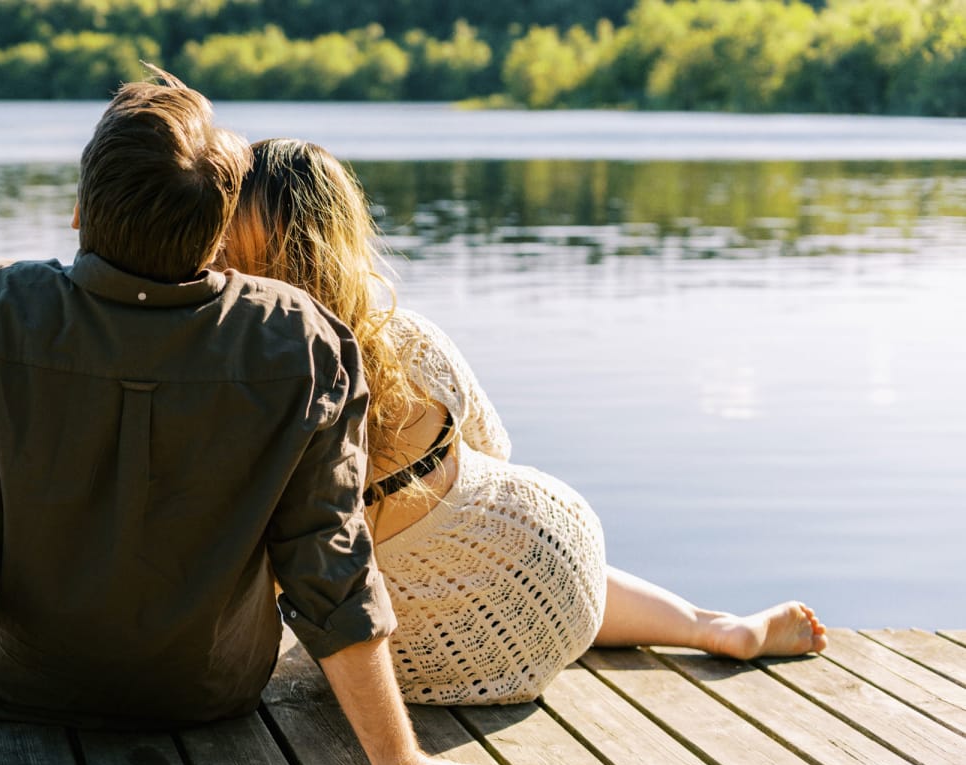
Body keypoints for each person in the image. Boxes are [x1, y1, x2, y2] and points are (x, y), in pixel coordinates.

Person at [0, 75, 539, 765]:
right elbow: (329, 573)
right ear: (217, 232)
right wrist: (400, 763)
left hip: (9, 689)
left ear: (77, 211)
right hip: (205, 697)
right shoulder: (304, 342)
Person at [221, 138, 827, 706]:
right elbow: (494, 450)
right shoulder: (409, 339)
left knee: (417, 561)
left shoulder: (250, 387)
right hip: (558, 582)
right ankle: (712, 627)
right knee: (499, 526)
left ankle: (705, 625)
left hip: (414, 652)